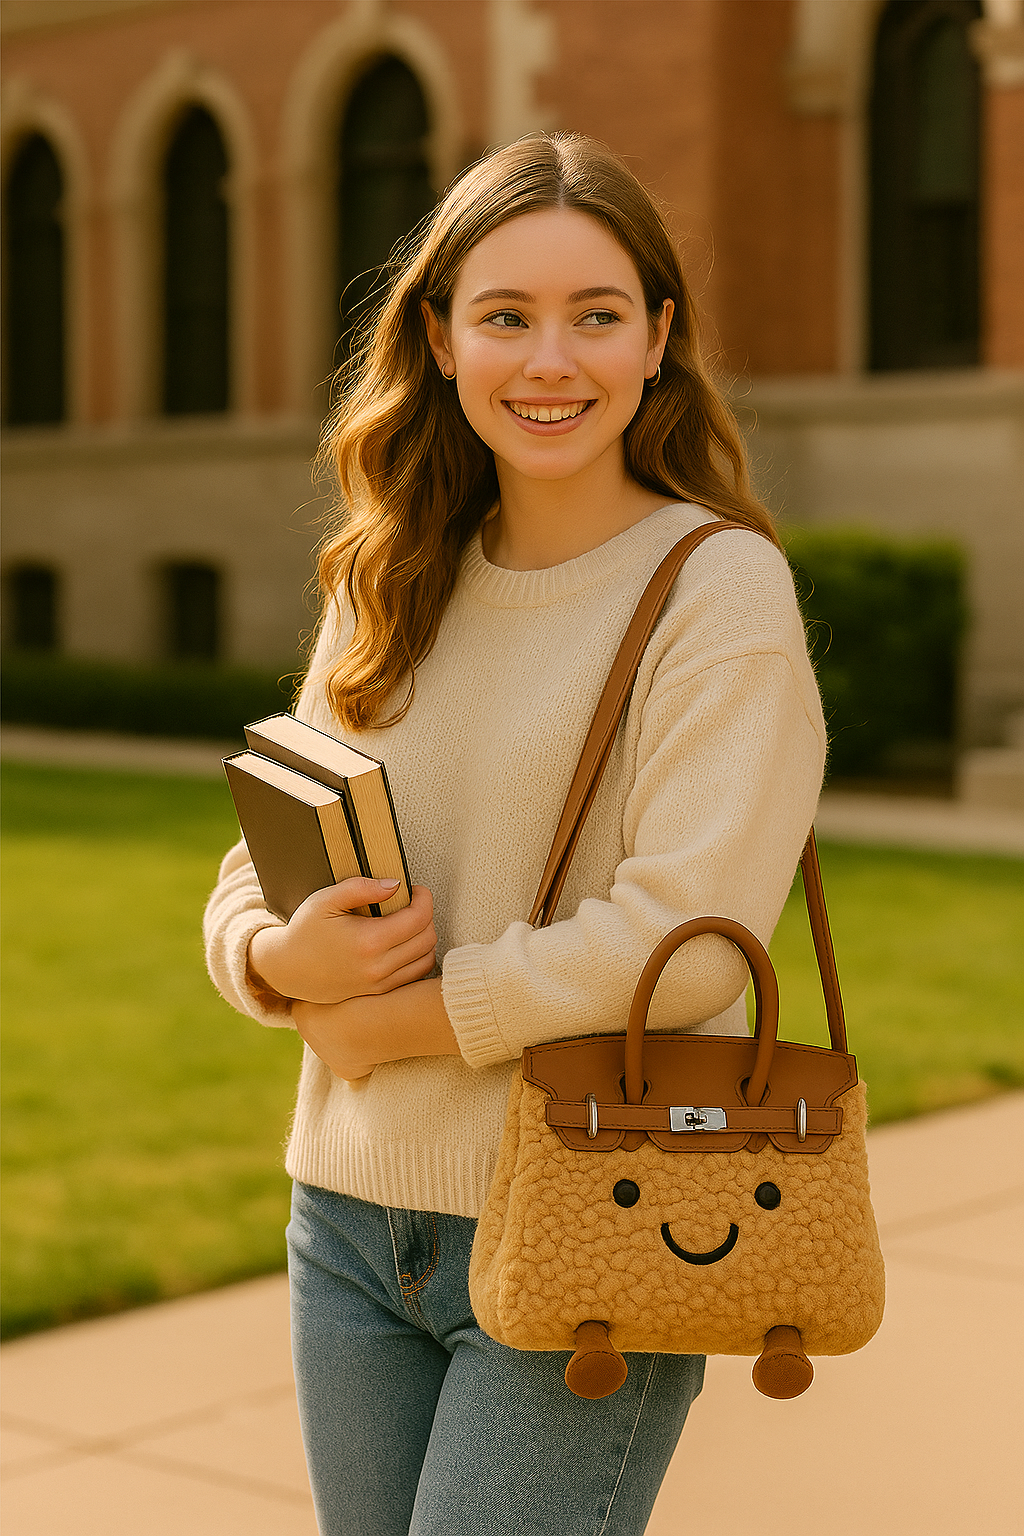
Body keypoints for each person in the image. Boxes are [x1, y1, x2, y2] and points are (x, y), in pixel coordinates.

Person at [204, 132, 825, 1536]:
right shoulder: (391, 571)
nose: (552, 361)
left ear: (659, 338)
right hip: (348, 1222)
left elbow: (683, 941)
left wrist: (401, 1021)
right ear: (438, 336)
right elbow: (264, 850)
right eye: (505, 316)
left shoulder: (715, 589)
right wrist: (275, 961)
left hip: (594, 1220)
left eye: (597, 316)